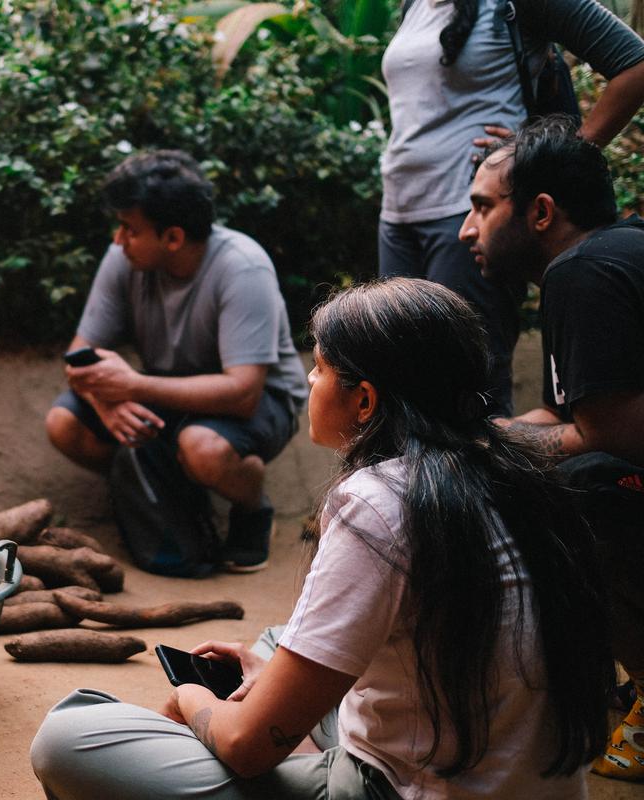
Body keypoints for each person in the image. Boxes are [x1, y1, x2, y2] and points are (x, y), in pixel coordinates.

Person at [32, 278, 614, 799]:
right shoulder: (512, 471)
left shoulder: (379, 503)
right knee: (273, 643)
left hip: (404, 789)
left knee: (68, 736)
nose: (310, 381)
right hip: (514, 776)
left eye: (320, 368)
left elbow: (245, 748)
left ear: (365, 399)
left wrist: (191, 700)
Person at [460, 116, 644, 781]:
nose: (466, 230)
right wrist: (474, 436)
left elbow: (610, 438)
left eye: (482, 207)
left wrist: (493, 451)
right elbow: (567, 416)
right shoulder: (604, 258)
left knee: (583, 485)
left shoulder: (585, 272)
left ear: (540, 212)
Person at [45, 151, 307, 572]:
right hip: (165, 390)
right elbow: (78, 359)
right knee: (64, 423)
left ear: (173, 238)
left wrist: (131, 387)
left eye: (130, 229)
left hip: (260, 399)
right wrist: (105, 403)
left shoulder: (243, 268)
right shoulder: (123, 259)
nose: (118, 239)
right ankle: (171, 499)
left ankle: (252, 506)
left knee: (203, 448)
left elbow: (243, 393)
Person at [378, 0, 644, 415]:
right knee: (398, 379)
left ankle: (490, 478)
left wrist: (556, 157)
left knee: (468, 387)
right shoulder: (417, 5)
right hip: (399, 213)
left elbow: (635, 65)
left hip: (470, 210)